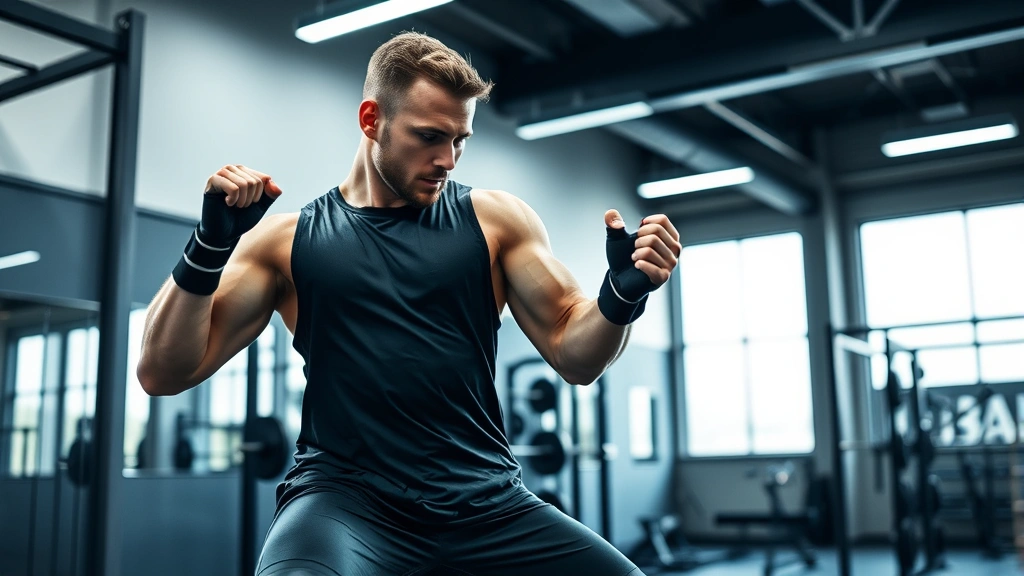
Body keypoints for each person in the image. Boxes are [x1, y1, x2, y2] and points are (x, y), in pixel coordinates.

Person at [137, 31, 680, 576]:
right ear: (371, 119)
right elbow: (162, 372)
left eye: (460, 140)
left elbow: (577, 357)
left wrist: (619, 297)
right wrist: (208, 246)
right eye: (429, 137)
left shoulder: (495, 221)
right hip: (346, 504)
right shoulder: (287, 242)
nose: (448, 159)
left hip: (486, 502)